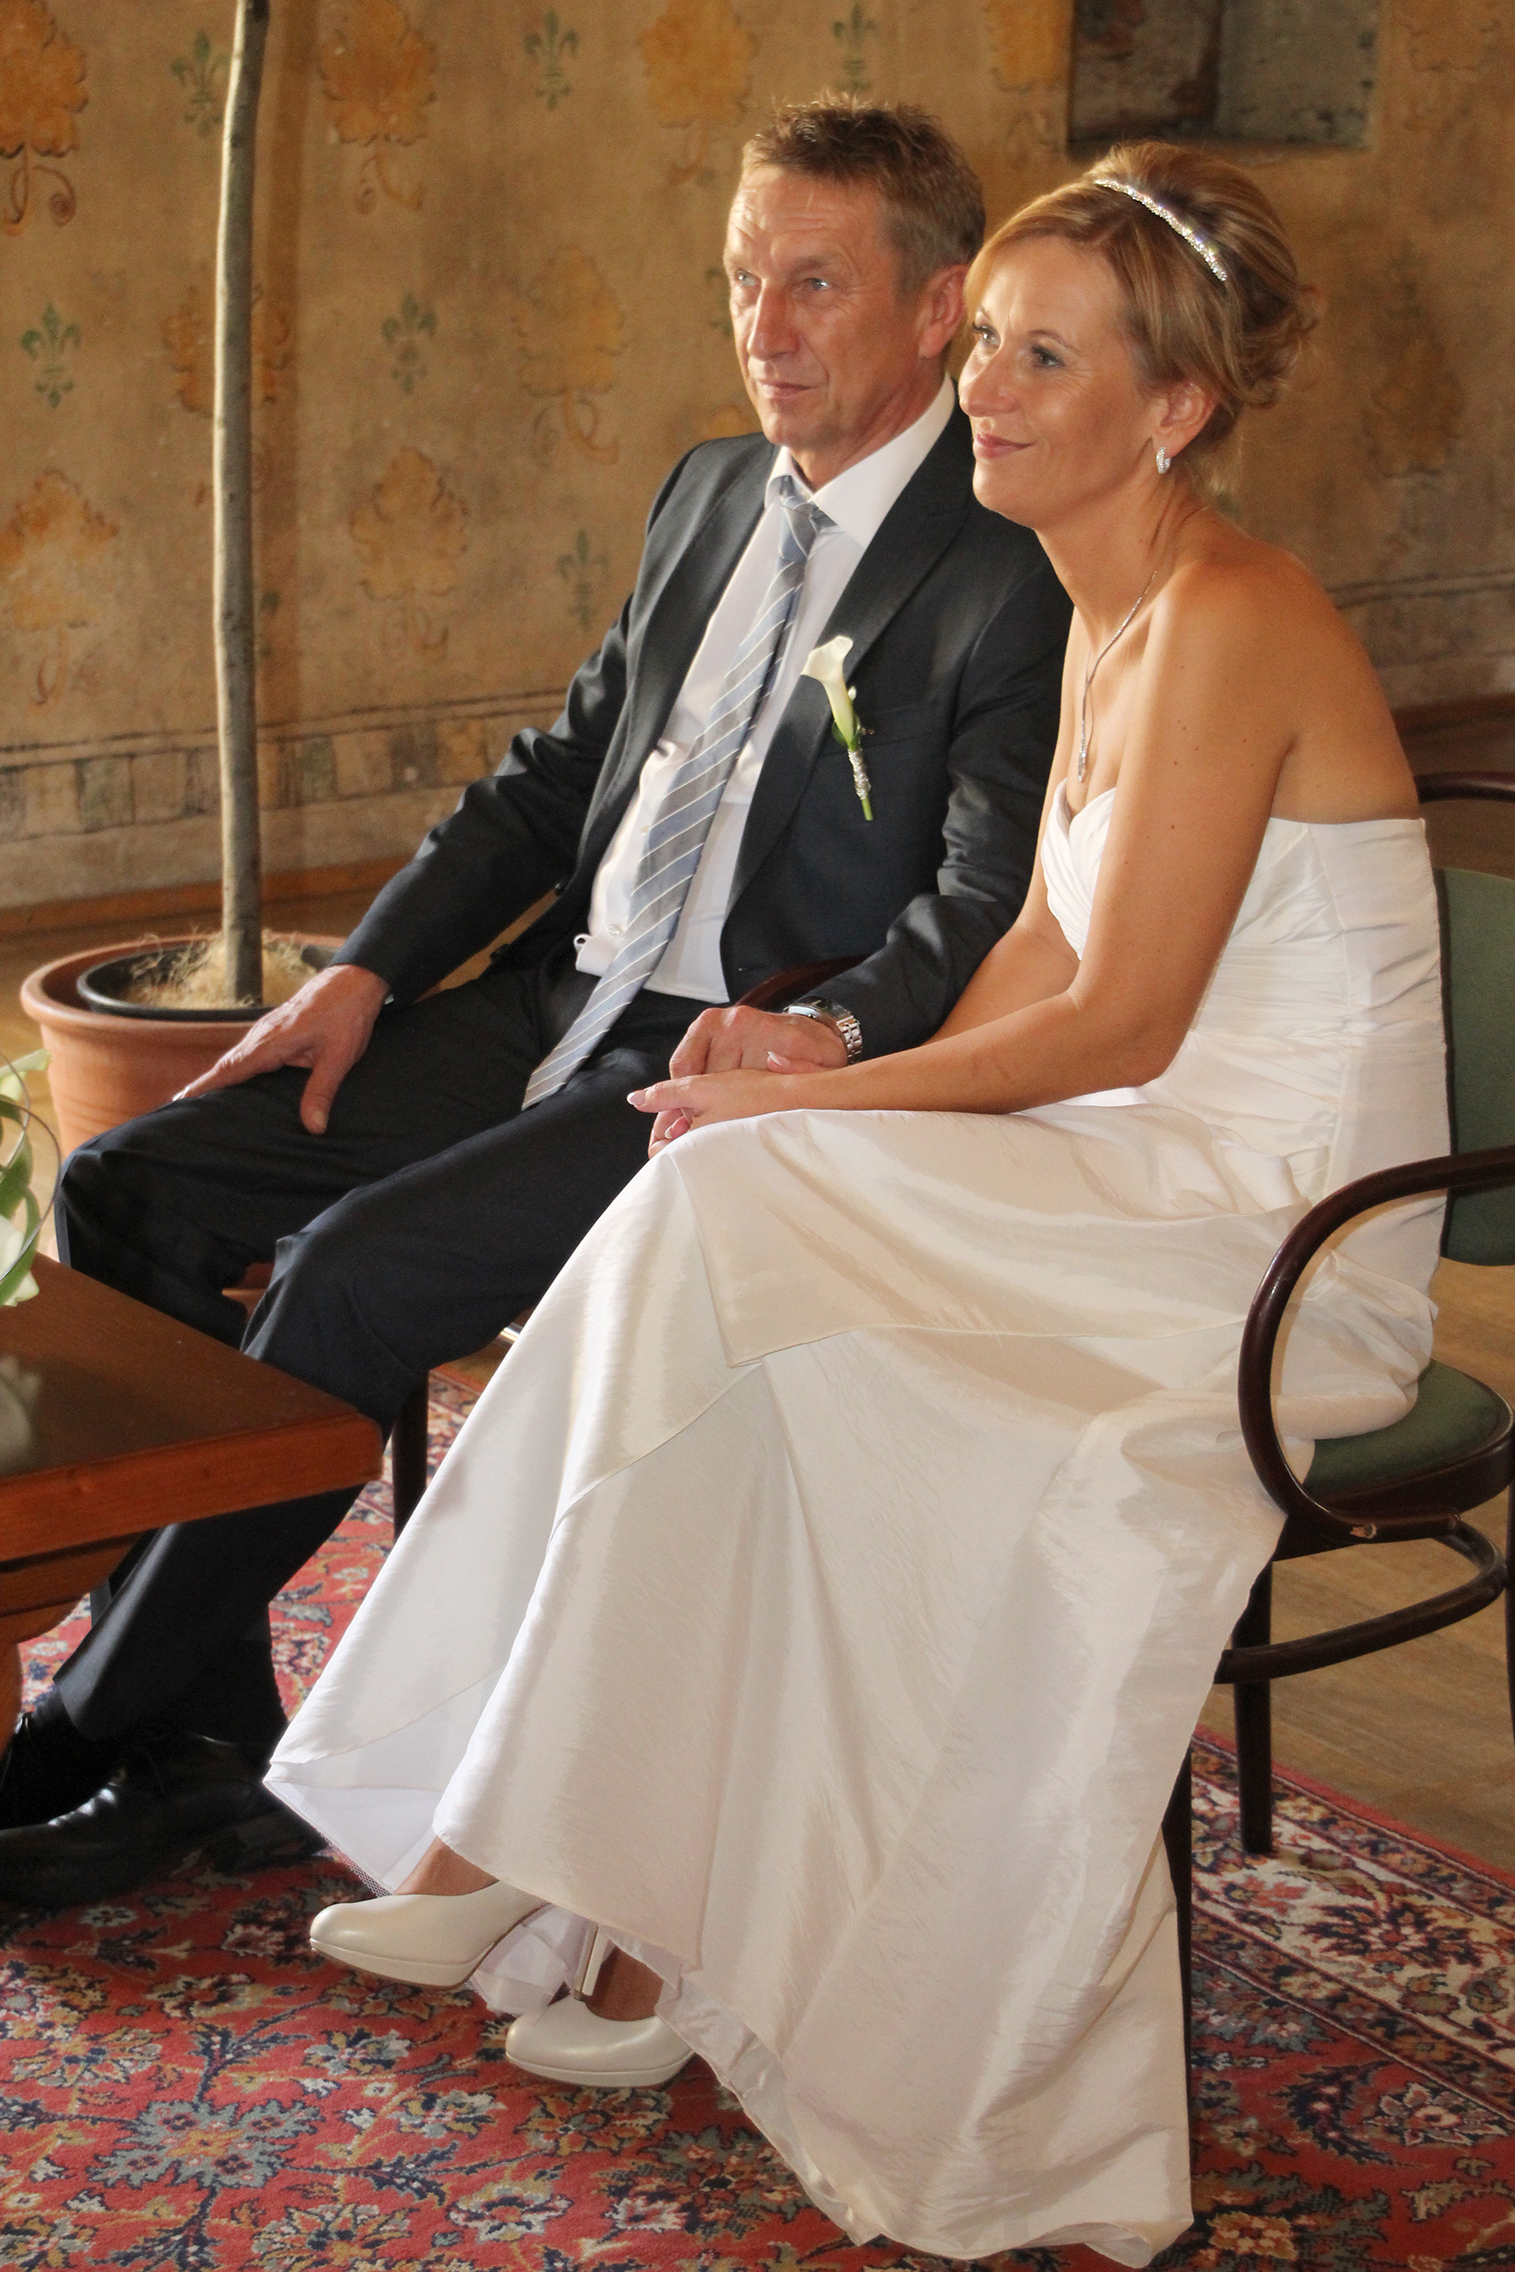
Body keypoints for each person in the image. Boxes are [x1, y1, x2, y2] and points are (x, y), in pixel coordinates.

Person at [259, 140, 1449, 2264]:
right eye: (985, 338)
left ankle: (533, 1850)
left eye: (1043, 355)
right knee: (732, 1213)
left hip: (1267, 1240)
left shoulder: (1233, 614)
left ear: (1173, 405)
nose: (983, 385)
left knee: (739, 1202)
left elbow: (1119, 1017)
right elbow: (1034, 948)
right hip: (1124, 1170)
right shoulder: (1100, 603)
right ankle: (598, 1893)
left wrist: (840, 1097)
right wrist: (823, 1091)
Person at [0, 98, 1071, 1906]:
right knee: (131, 1187)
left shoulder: (1005, 559)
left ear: (936, 304)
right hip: (554, 1004)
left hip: (720, 1066)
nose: (763, 326)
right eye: (743, 278)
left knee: (352, 1273)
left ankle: (75, 1731)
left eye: (813, 283)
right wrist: (366, 970)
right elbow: (559, 772)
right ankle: (204, 1741)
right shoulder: (710, 490)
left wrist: (821, 1033)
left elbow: (985, 898)